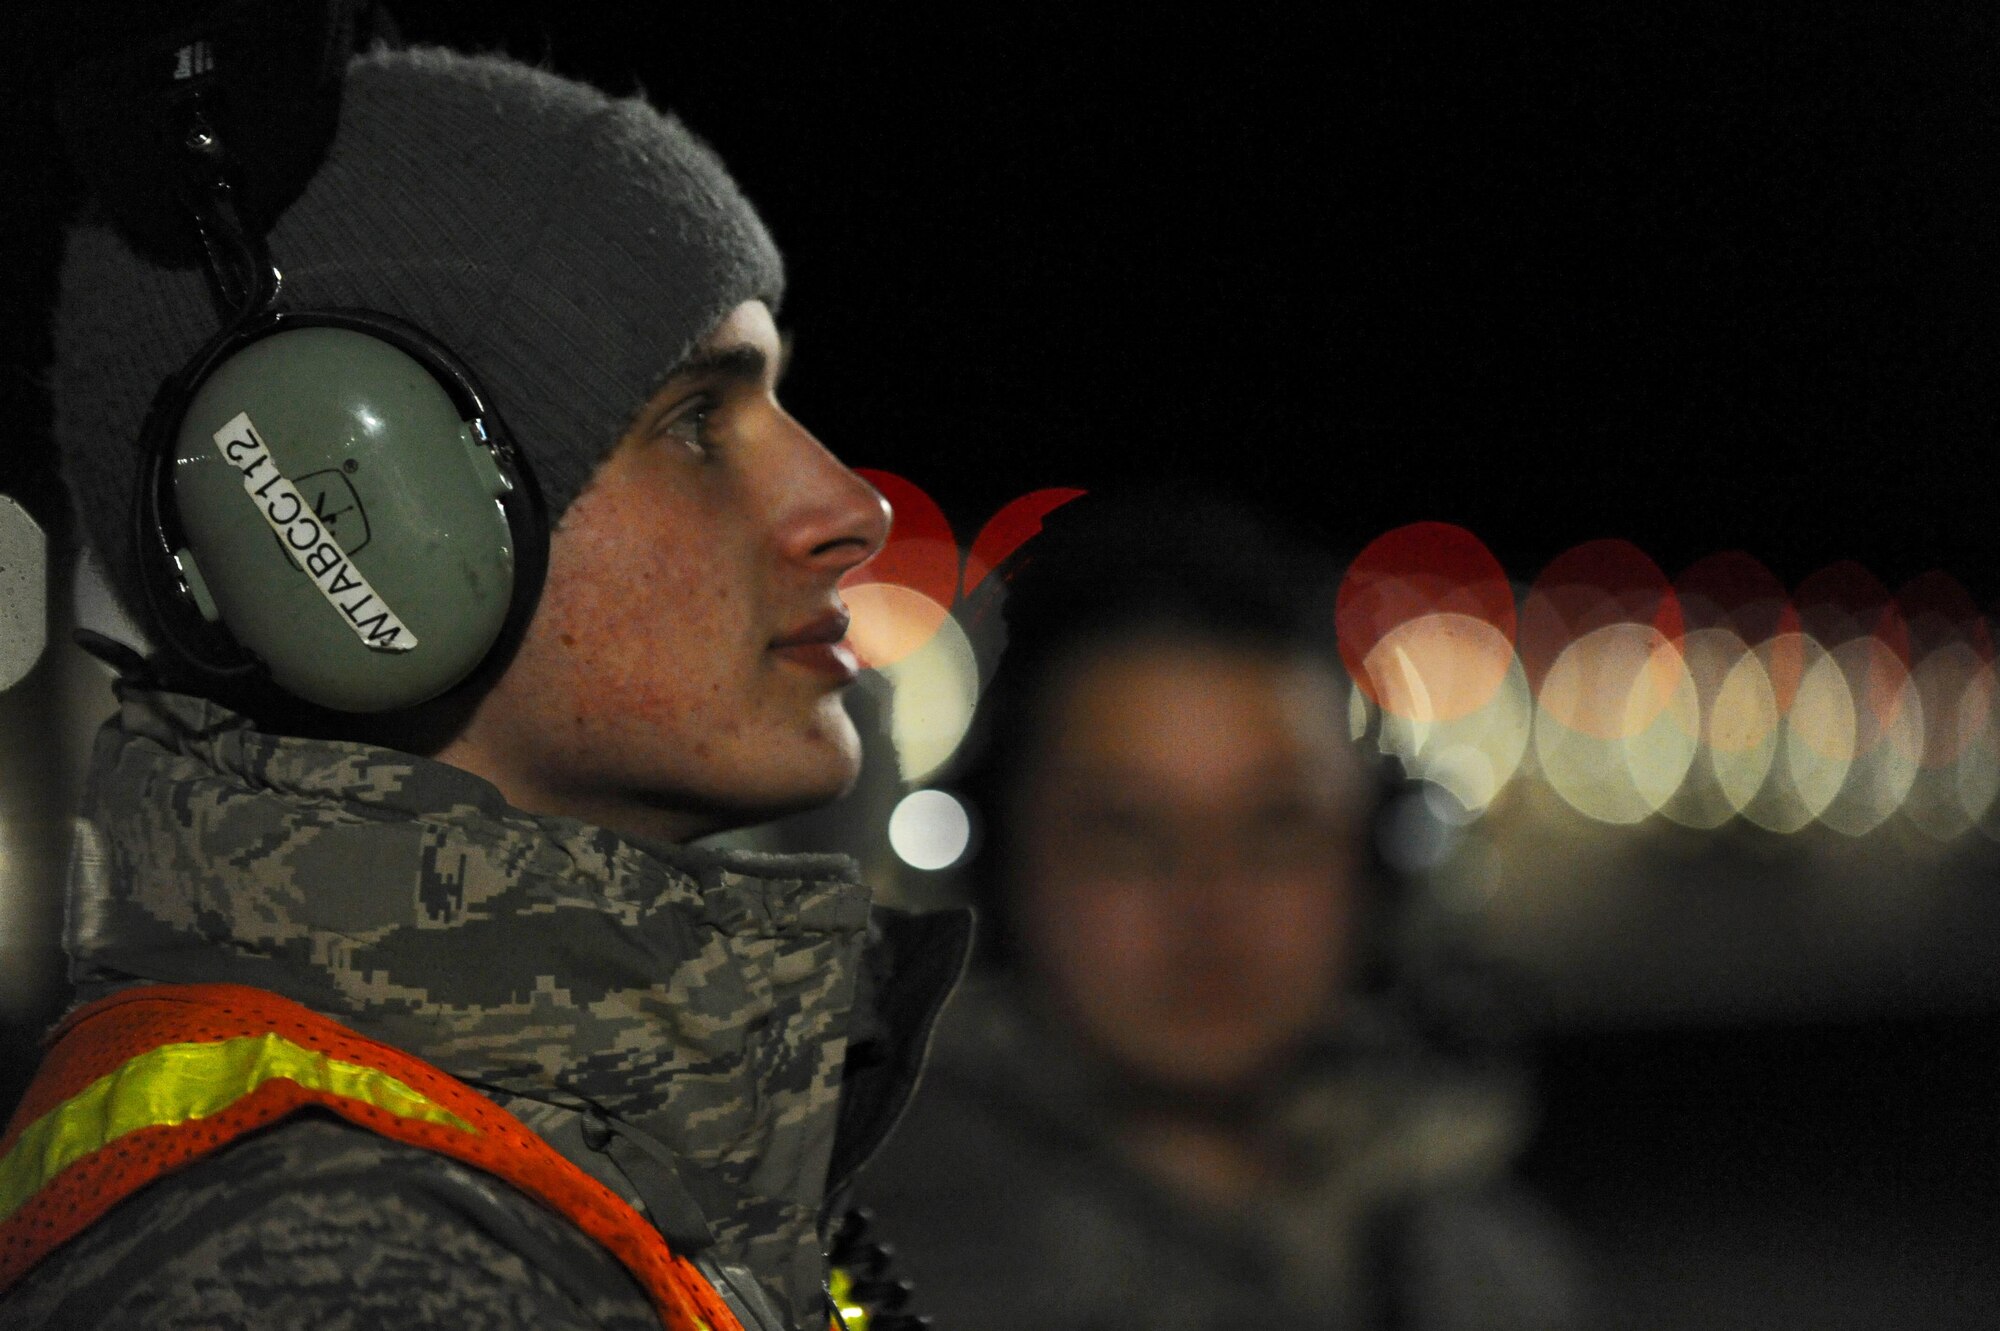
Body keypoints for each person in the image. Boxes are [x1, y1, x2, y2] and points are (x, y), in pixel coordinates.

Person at [0, 30, 967, 1331]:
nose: (845, 505)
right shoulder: (340, 1268)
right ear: (351, 532)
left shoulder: (512, 1159)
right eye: (694, 420)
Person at [856, 495, 1585, 1330]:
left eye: (1277, 829)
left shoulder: (1487, 1272)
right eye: (1125, 834)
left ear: (1375, 860)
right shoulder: (869, 1278)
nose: (1209, 904)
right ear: (1000, 866)